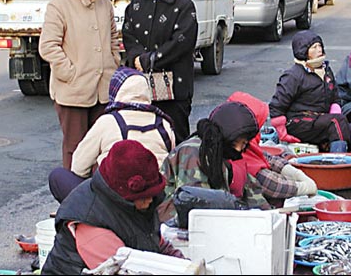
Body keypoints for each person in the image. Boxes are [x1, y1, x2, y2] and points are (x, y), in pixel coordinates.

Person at [41, 140, 184, 275]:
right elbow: (120, 270)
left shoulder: (139, 206)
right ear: (123, 195)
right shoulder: (93, 223)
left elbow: (159, 245)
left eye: (151, 194)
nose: (149, 201)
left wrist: (187, 266)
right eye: (143, 197)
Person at [39, 0, 121, 169]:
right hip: (72, 92)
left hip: (103, 91)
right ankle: (73, 197)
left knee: (103, 149)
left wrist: (113, 63)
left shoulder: (104, 3)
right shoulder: (59, 5)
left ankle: (98, 198)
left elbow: (113, 37)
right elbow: (48, 46)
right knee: (75, 149)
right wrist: (70, 73)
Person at [48, 66, 176, 203]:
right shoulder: (164, 123)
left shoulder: (107, 122)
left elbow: (79, 167)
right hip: (156, 199)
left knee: (57, 177)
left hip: (115, 203)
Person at [122, 0, 198, 145]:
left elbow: (181, 43)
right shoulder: (137, 1)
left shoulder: (184, 6)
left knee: (175, 139)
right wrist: (137, 57)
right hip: (140, 86)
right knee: (140, 138)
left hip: (174, 88)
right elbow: (128, 33)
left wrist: (150, 59)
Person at [158, 101, 271, 223]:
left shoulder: (222, 153)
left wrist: (269, 218)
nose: (241, 149)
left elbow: (252, 192)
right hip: (173, 220)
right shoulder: (192, 152)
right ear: (230, 136)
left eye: (245, 144)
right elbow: (197, 202)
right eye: (241, 143)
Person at [269, 30, 351, 153]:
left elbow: (335, 97)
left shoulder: (326, 70)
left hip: (320, 119)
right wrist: (282, 131)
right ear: (303, 51)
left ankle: (327, 150)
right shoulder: (293, 75)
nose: (319, 50)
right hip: (298, 121)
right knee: (336, 122)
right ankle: (338, 163)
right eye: (314, 47)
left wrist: (335, 112)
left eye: (320, 46)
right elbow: (277, 105)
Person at [227, 91, 317, 207]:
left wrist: (292, 171)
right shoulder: (234, 148)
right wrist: (303, 187)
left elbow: (265, 156)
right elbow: (269, 184)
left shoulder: (244, 141)